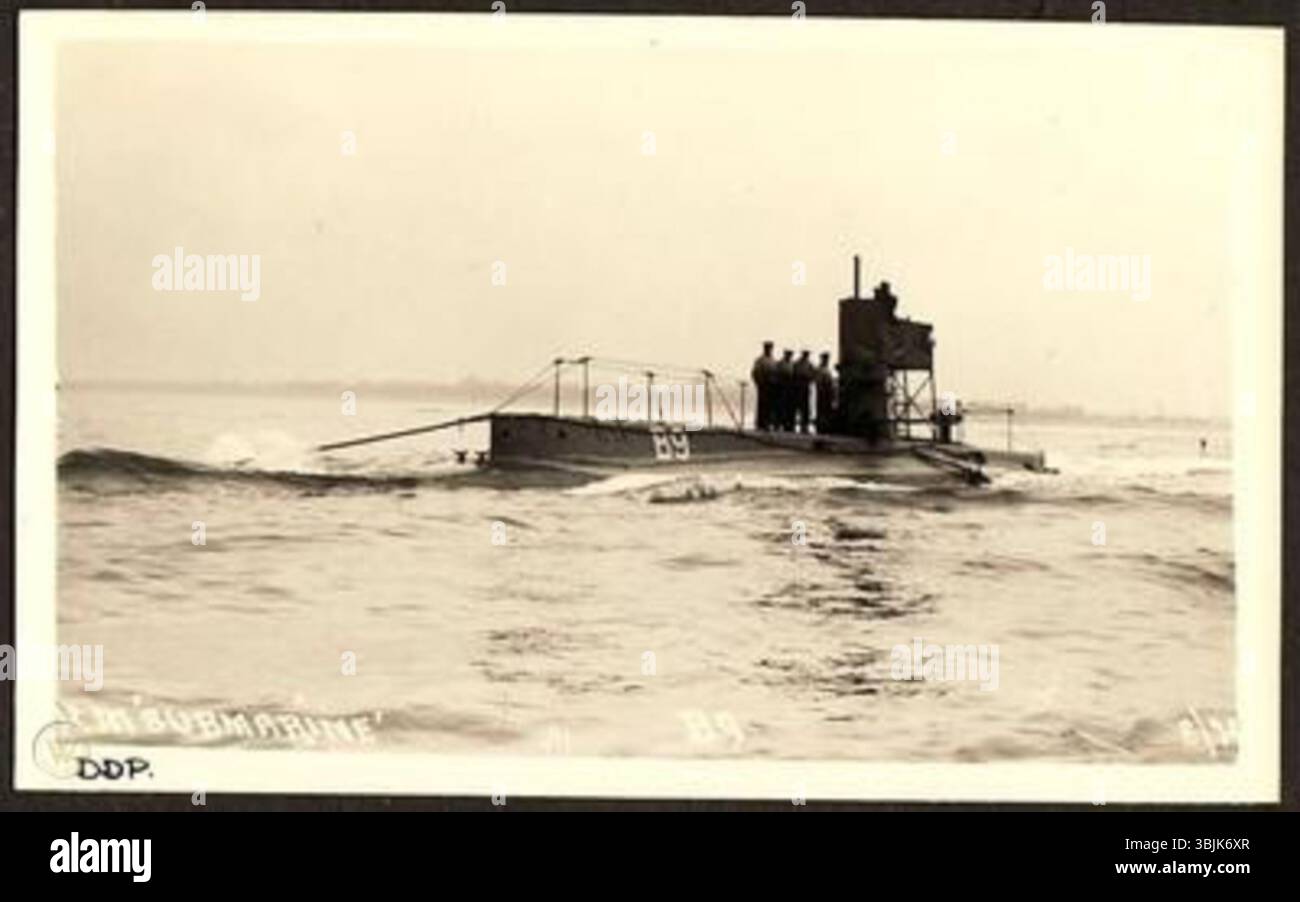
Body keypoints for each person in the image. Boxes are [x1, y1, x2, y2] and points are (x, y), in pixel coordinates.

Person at [750, 341, 777, 430]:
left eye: (770, 348)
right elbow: (755, 372)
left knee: (770, 405)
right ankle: (760, 423)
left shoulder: (773, 360)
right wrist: (759, 383)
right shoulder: (760, 360)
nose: (769, 350)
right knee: (762, 405)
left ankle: (768, 423)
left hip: (772, 385)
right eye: (767, 348)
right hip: (763, 384)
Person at [792, 350, 816, 434]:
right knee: (798, 407)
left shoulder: (809, 364)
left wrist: (808, 379)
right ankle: (794, 425)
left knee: (805, 408)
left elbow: (814, 375)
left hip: (805, 387)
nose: (806, 355)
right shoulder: (797, 364)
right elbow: (793, 375)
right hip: (798, 388)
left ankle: (804, 426)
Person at [814, 351, 837, 434]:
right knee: (822, 410)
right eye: (825, 359)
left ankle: (826, 427)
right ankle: (821, 427)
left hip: (828, 392)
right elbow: (819, 382)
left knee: (827, 411)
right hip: (823, 392)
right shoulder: (820, 369)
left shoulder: (828, 370)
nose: (827, 360)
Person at [775, 349, 796, 431]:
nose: (789, 356)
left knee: (789, 407)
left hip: (789, 387)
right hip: (781, 386)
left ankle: (787, 425)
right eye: (788, 354)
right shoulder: (780, 364)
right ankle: (778, 424)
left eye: (790, 355)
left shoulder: (792, 364)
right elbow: (777, 374)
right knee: (780, 406)